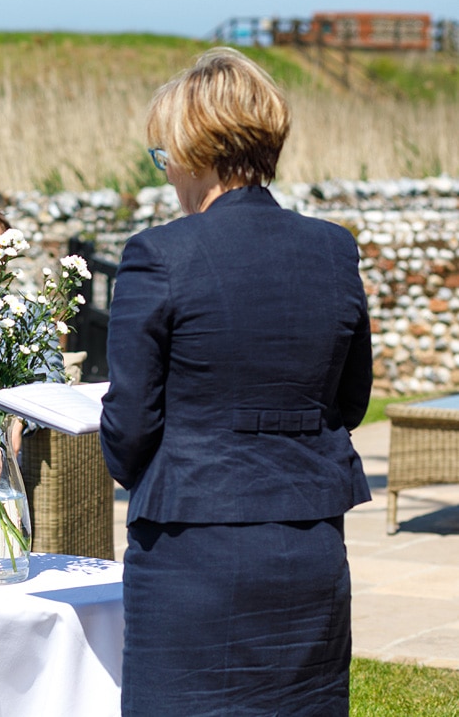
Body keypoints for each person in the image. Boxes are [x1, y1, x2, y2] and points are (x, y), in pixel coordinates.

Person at [99, 47, 372, 716]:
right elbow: (352, 400)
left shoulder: (158, 255)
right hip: (310, 546)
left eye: (163, 157)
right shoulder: (334, 249)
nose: (166, 178)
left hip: (194, 553)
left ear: (196, 150)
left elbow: (129, 432)